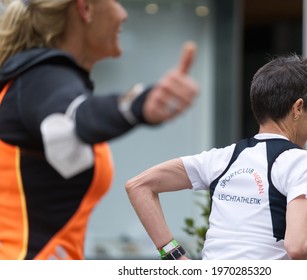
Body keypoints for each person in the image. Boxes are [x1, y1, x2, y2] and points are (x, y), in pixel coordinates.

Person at [0, 0, 198, 260]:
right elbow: (75, 117)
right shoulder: (40, 79)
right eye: (116, 2)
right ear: (86, 9)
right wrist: (137, 105)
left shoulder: (32, 80)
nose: (124, 14)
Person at [126, 54, 307, 260]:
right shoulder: (304, 166)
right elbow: (299, 246)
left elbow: (139, 186)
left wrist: (173, 256)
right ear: (298, 108)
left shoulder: (222, 158)